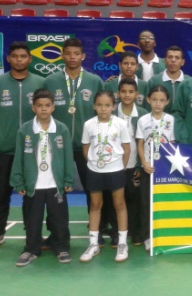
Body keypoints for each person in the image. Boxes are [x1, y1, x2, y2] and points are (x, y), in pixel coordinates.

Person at [43, 38, 107, 246]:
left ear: (83, 56)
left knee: (93, 188)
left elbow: (102, 113)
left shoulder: (94, 80)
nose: (72, 57)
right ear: (62, 55)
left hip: (86, 146)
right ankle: (56, 233)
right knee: (54, 190)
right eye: (68, 53)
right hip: (57, 146)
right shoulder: (51, 81)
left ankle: (96, 229)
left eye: (76, 53)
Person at [0, 41, 44, 251]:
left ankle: (32, 236)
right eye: (15, 56)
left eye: (23, 56)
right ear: (9, 59)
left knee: (32, 195)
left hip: (33, 150)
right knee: (2, 193)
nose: (19, 59)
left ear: (30, 59)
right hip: (5, 149)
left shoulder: (40, 82)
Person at [10, 89, 74, 266]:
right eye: (39, 106)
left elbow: (68, 156)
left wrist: (68, 180)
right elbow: (19, 158)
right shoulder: (25, 130)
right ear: (33, 108)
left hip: (56, 184)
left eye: (47, 106)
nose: (44, 109)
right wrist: (19, 181)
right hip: (33, 185)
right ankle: (31, 249)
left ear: (53, 107)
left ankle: (61, 247)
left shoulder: (61, 129)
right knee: (32, 219)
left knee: (59, 219)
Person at [80, 90, 131, 263]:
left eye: (107, 105)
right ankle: (93, 244)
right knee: (95, 205)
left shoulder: (121, 124)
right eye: (100, 105)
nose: (103, 109)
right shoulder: (88, 124)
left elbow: (126, 148)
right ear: (94, 106)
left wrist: (120, 167)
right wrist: (94, 163)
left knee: (119, 204)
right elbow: (86, 148)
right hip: (95, 171)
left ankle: (123, 243)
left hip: (116, 170)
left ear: (113, 106)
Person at [136, 85, 174, 251]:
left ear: (167, 102)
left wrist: (168, 165)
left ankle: (163, 233)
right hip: (148, 169)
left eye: (162, 100)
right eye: (154, 100)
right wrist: (144, 163)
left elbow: (172, 144)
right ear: (148, 100)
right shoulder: (143, 120)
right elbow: (140, 144)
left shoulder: (170, 120)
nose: (158, 104)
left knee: (163, 203)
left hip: (164, 170)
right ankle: (147, 236)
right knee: (146, 204)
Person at [114, 78, 148, 246]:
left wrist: (140, 165)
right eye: (123, 92)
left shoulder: (142, 114)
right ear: (118, 93)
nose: (127, 95)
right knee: (116, 199)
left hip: (134, 164)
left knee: (134, 198)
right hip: (114, 165)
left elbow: (145, 142)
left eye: (131, 92)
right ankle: (116, 232)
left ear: (137, 94)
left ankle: (135, 232)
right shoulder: (112, 113)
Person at [147, 46, 186, 115]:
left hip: (182, 124)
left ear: (182, 62)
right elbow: (147, 106)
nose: (173, 60)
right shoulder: (154, 81)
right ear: (164, 61)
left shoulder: (189, 82)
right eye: (170, 57)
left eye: (177, 58)